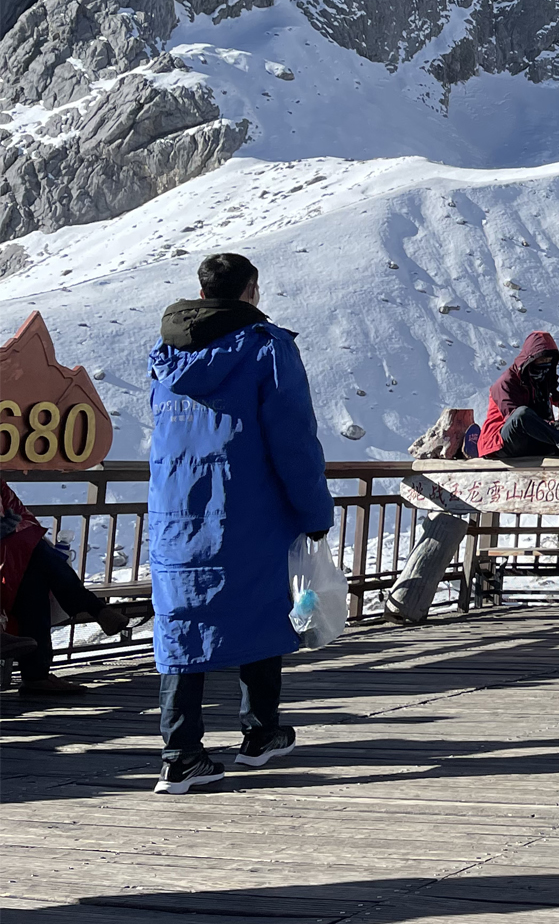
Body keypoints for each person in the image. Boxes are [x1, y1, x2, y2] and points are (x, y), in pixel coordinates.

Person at [147, 253, 336, 795]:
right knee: (263, 606)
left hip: (175, 512)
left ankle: (180, 751)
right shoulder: (266, 348)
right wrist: (314, 513)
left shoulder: (165, 354)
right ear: (251, 290)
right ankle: (258, 733)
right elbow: (293, 440)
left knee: (181, 618)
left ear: (202, 293)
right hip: (246, 506)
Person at [1, 485, 133, 695]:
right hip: (7, 564)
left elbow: (24, 517)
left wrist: (12, 529)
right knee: (35, 559)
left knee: (34, 576)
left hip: (11, 563)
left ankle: (37, 677)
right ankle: (95, 608)